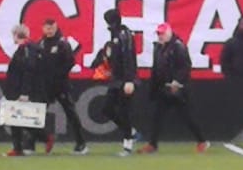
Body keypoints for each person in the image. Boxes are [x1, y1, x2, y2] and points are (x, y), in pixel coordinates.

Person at [146, 23, 207, 152]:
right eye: (158, 34)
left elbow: (185, 66)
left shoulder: (178, 46)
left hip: (178, 89)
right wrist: (154, 87)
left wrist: (177, 81)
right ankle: (153, 144)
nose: (160, 36)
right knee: (157, 116)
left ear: (169, 33)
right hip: (163, 88)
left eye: (162, 33)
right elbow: (156, 68)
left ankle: (202, 141)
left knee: (187, 117)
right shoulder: (158, 48)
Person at [87, 10, 140, 154]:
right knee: (107, 109)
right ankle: (131, 132)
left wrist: (130, 80)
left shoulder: (124, 35)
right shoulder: (115, 36)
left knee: (124, 111)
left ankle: (127, 145)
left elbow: (129, 58)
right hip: (116, 80)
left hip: (125, 80)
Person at [35, 17, 88, 155]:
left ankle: (81, 143)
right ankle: (30, 143)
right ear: (43, 28)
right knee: (36, 113)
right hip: (45, 86)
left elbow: (70, 62)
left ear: (56, 27)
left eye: (52, 27)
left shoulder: (62, 43)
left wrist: (58, 75)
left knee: (71, 113)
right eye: (47, 27)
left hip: (60, 85)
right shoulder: (40, 44)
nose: (49, 30)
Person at [3, 25, 43, 157]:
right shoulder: (30, 48)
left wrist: (24, 92)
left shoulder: (26, 49)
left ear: (15, 35)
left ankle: (43, 137)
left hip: (19, 90)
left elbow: (27, 71)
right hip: (20, 89)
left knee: (17, 120)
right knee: (18, 120)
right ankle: (18, 147)